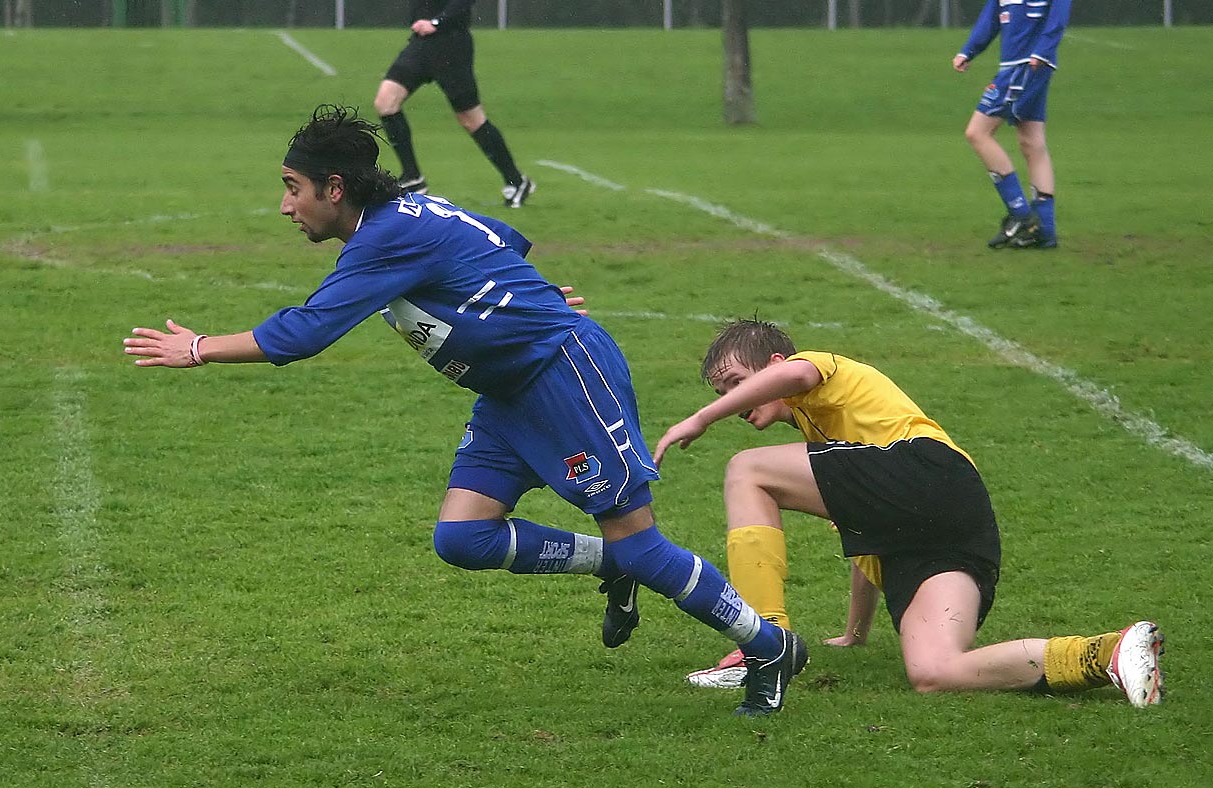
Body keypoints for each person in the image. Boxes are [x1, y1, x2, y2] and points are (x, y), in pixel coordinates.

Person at [122, 105, 806, 716]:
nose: (284, 205)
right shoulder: (409, 215)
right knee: (462, 538)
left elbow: (303, 334)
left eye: (292, 188)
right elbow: (506, 238)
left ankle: (769, 646)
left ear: (336, 189)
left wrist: (200, 348)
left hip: (563, 376)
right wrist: (523, 293)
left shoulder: (383, 238)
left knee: (642, 540)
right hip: (508, 392)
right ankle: (611, 566)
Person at [654, 319, 1163, 707]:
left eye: (737, 384)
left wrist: (700, 418)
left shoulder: (817, 367)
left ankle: (763, 643)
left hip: (930, 470)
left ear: (773, 363)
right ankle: (1105, 654)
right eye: (721, 395)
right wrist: (856, 631)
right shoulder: (831, 451)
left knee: (746, 471)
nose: (734, 401)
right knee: (936, 672)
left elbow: (796, 373)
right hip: (955, 525)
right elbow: (867, 536)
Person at [374, 1, 535, 208]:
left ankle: (517, 181)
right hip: (421, 43)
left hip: (450, 45)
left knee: (471, 119)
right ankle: (413, 177)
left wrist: (437, 22)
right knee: (385, 102)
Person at [953, 0, 1072, 249]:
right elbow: (992, 16)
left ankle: (1021, 215)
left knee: (978, 133)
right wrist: (969, 50)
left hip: (1027, 65)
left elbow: (1058, 16)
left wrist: (1042, 51)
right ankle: (1044, 231)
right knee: (1032, 142)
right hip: (1019, 66)